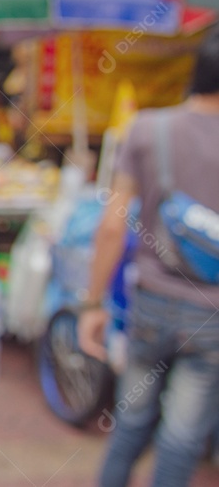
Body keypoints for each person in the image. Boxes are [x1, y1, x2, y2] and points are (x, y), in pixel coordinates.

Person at [79, 27, 219, 487]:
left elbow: (113, 227)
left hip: (151, 303)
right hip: (211, 316)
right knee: (181, 441)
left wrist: (92, 304)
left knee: (131, 423)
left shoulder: (147, 129)